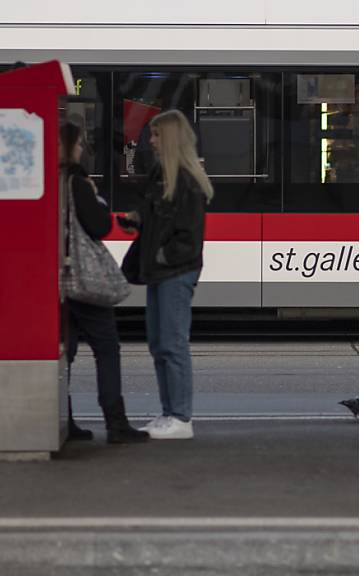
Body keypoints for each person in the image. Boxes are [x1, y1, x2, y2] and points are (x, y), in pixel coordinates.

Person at [121, 110, 210, 440]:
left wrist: (160, 254)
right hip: (161, 270)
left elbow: (189, 237)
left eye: (157, 135)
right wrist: (137, 219)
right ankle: (168, 412)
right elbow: (156, 217)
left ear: (171, 138)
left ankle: (181, 417)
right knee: (159, 343)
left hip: (175, 271)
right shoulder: (163, 175)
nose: (152, 141)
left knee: (172, 343)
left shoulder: (185, 180)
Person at [60, 122, 148, 445]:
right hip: (83, 280)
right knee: (107, 348)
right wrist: (98, 202)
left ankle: (63, 419)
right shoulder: (78, 183)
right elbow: (98, 226)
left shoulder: (47, 181)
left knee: (64, 352)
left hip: (57, 280)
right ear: (69, 147)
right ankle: (116, 421)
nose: (82, 150)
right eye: (79, 144)